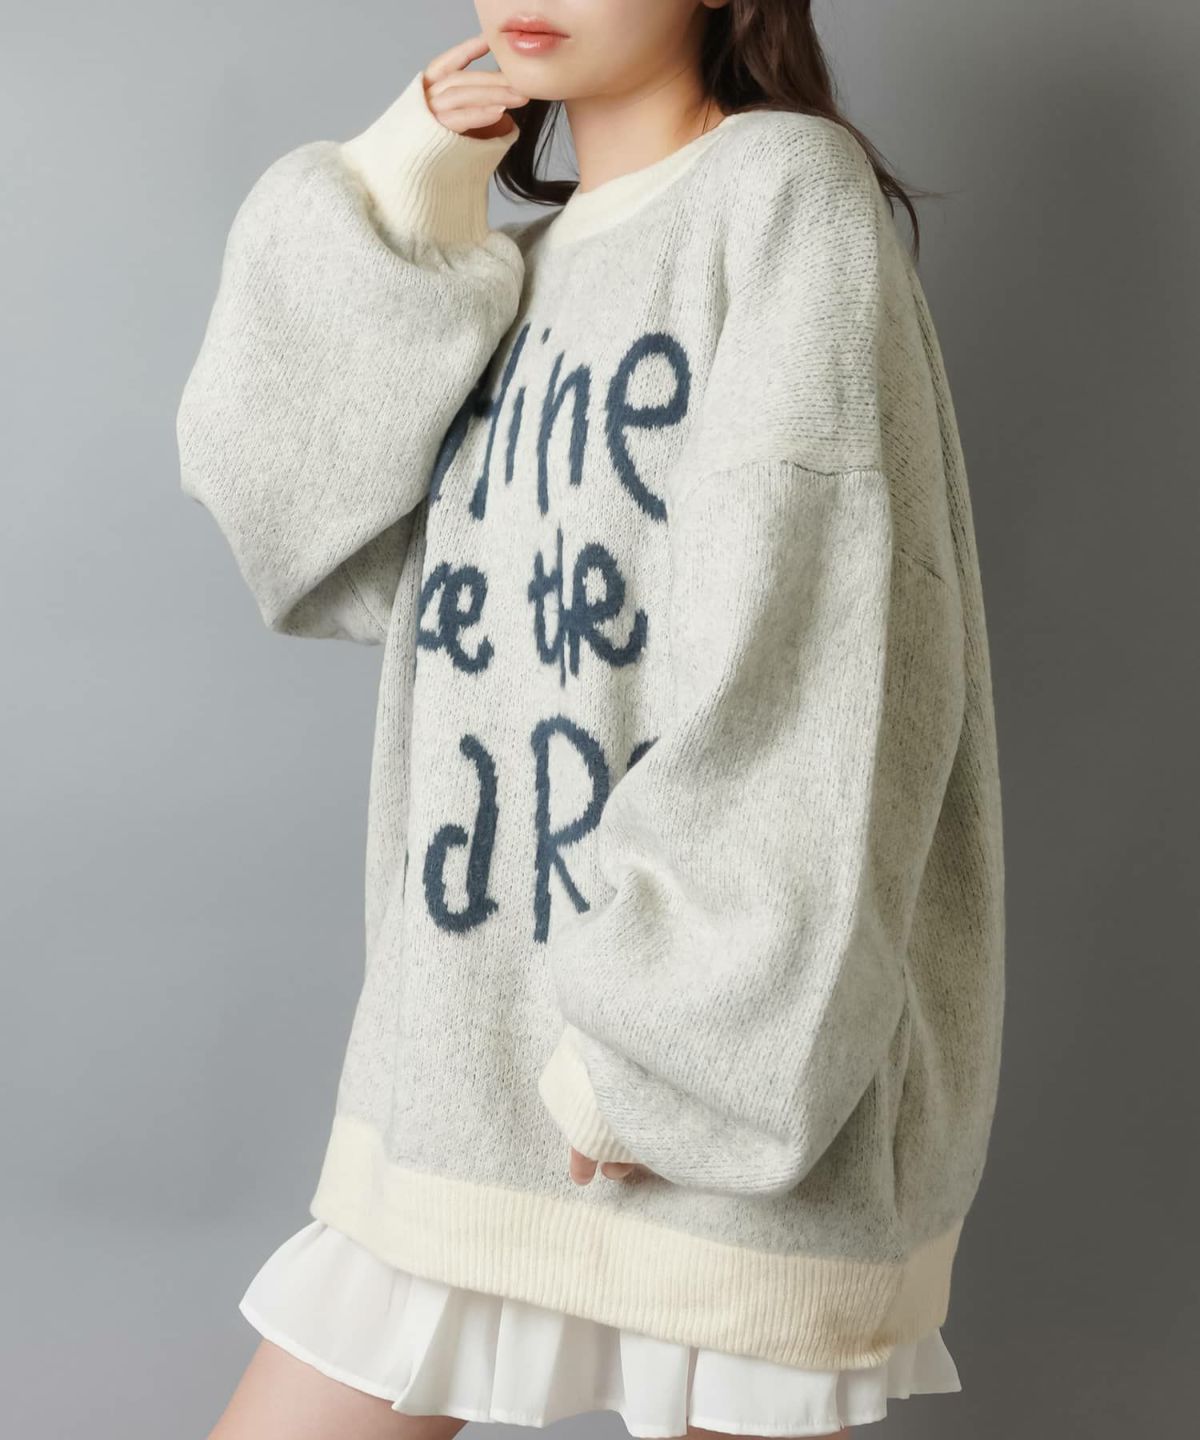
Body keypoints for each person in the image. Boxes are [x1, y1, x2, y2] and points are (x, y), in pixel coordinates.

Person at [178, 3, 1005, 1437]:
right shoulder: (510, 275)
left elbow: (819, 665)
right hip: (468, 1073)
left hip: (708, 1101)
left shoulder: (781, 193)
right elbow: (296, 527)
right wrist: (402, 189)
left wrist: (668, 1057)